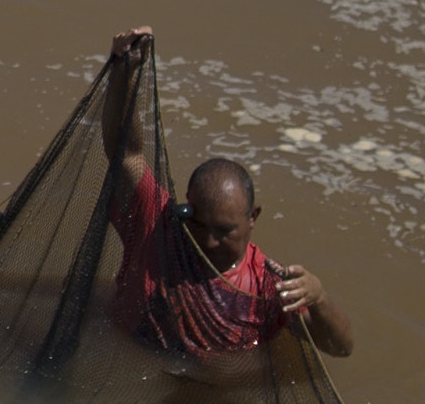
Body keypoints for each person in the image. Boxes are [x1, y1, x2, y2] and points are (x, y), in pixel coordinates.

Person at [102, 27, 354, 361]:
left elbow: (340, 348)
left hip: (206, 386)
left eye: (225, 231)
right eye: (199, 224)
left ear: (253, 218)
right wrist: (125, 70)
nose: (208, 242)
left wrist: (319, 298)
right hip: (125, 354)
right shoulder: (157, 226)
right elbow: (126, 154)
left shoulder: (267, 287)